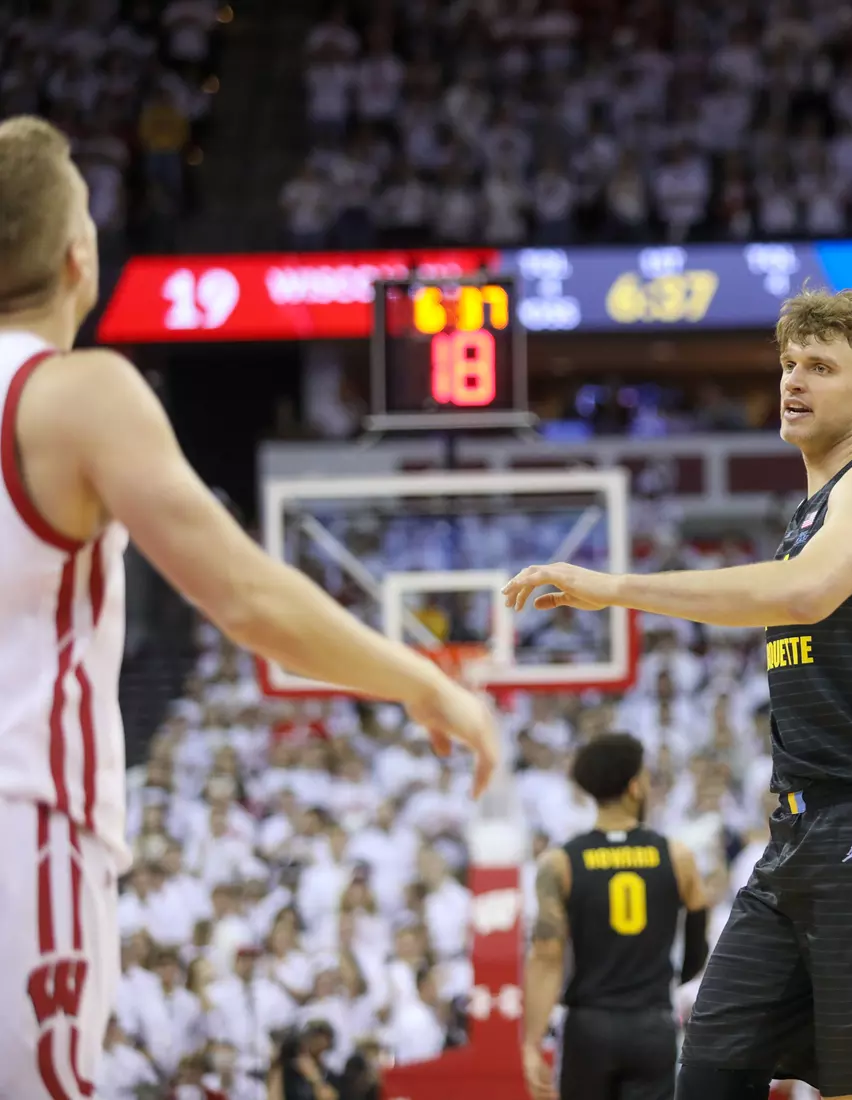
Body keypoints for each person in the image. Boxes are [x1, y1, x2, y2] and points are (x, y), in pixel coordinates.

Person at [0, 115, 499, 1100]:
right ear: (78, 256)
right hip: (24, 819)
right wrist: (423, 681)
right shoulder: (75, 393)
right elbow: (243, 595)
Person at [504, 289, 852, 1100]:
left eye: (820, 366)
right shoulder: (812, 513)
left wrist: (617, 587)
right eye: (788, 363)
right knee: (711, 1072)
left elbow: (802, 595)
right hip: (799, 830)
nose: (794, 380)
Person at [520, 733, 709, 1100]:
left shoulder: (560, 863)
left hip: (588, 1024)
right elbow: (698, 935)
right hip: (651, 1021)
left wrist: (531, 1042)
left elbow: (546, 955)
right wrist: (680, 977)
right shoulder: (677, 856)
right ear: (635, 786)